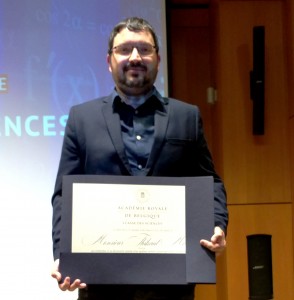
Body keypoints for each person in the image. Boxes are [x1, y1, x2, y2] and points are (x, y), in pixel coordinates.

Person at [51, 17, 228, 300]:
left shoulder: (187, 116)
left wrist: (218, 224)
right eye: (125, 50)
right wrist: (63, 255)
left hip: (172, 287)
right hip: (102, 284)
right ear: (109, 61)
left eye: (144, 49)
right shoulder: (81, 119)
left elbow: (211, 183)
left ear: (157, 58)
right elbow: (63, 196)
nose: (135, 57)